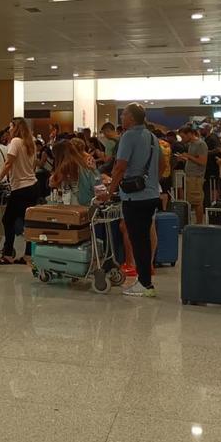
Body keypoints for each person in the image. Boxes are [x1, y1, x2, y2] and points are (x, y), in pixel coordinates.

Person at [108, 103, 162, 298]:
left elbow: (120, 166)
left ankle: (145, 283)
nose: (122, 117)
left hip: (134, 196)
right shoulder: (153, 137)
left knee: (137, 240)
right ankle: (146, 280)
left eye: (124, 114)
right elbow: (162, 164)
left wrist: (109, 191)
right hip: (151, 194)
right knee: (144, 239)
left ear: (131, 117)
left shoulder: (128, 136)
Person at [0, 118, 39, 265]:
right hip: (32, 186)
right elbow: (33, 165)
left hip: (19, 188)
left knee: (7, 220)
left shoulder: (15, 142)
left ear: (16, 128)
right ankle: (28, 254)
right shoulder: (30, 143)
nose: (9, 130)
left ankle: (7, 254)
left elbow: (8, 163)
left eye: (10, 127)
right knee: (29, 222)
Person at [49, 138, 100, 206]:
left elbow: (53, 182)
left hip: (74, 201)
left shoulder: (66, 165)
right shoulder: (82, 162)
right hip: (87, 199)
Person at [176, 126, 208, 224]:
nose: (182, 139)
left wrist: (188, 156)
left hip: (196, 177)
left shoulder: (200, 144)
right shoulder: (191, 145)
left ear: (189, 134)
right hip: (190, 176)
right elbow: (194, 159)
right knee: (192, 201)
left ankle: (199, 223)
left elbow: (203, 161)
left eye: (183, 136)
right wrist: (184, 158)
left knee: (197, 202)